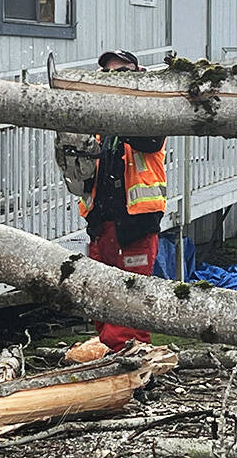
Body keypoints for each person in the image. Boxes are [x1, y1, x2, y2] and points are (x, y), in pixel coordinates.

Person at [74, 50, 167, 354]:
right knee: (99, 296)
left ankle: (133, 359)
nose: (115, 79)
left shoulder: (150, 114)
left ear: (137, 73)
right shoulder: (99, 124)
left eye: (122, 72)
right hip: (102, 224)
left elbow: (148, 142)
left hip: (136, 226)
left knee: (132, 298)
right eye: (109, 74)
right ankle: (110, 353)